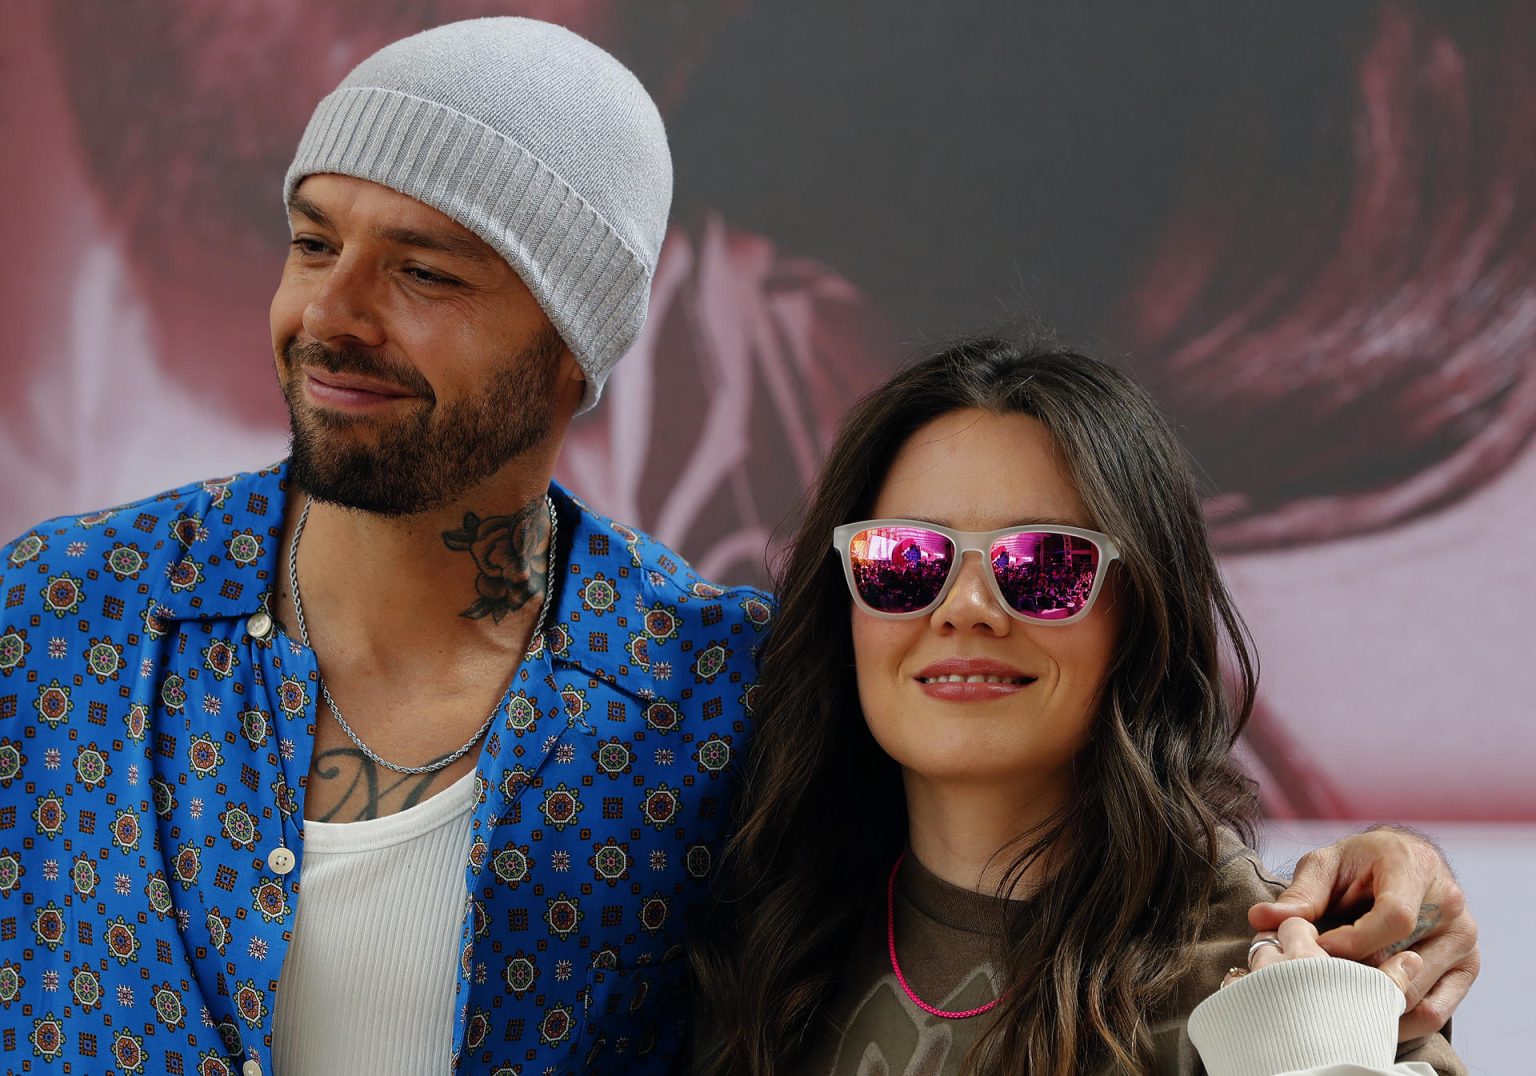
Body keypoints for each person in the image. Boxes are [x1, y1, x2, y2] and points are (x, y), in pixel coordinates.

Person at [0, 19, 1476, 1076]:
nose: (333, 313)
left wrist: (1379, 898)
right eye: (314, 242)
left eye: (426, 271)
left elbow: (1049, 831)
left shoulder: (714, 697)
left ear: (578, 352)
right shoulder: (50, 623)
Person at [691, 334, 1465, 1074]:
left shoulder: (1296, 990)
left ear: (1142, 615)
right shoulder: (753, 944)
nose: (965, 607)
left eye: (1044, 564)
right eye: (904, 560)